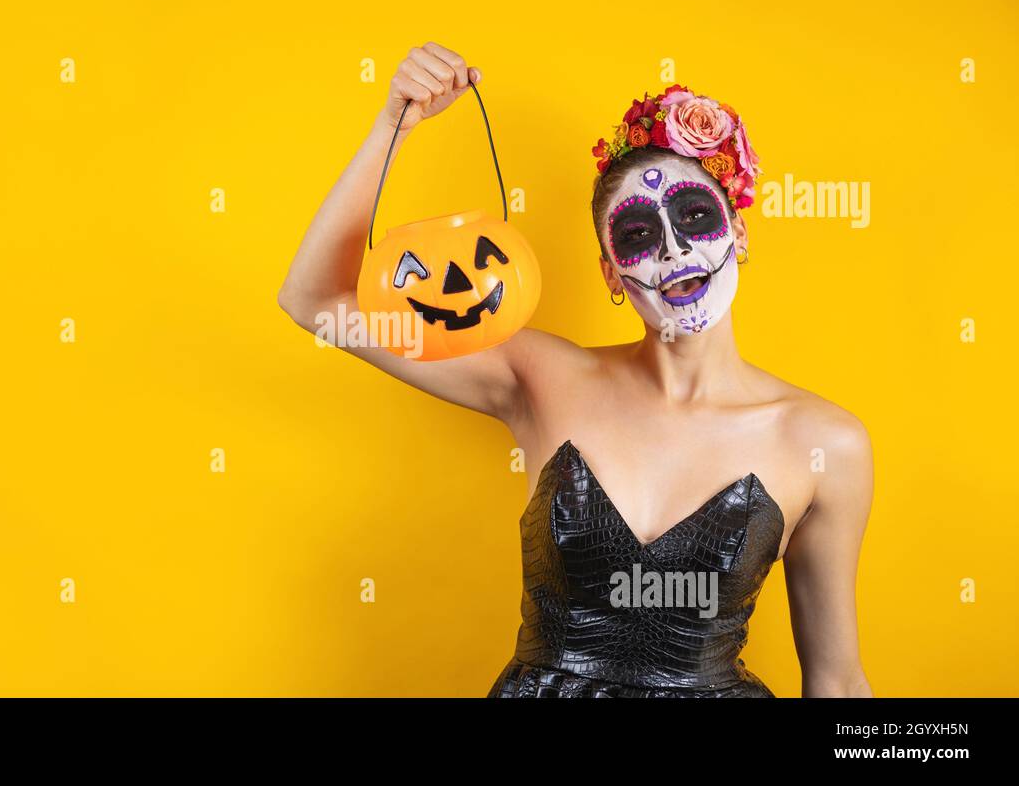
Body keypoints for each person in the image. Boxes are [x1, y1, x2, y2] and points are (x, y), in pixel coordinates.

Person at [278, 42, 873, 698]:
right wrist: (394, 124)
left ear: (740, 234)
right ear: (612, 275)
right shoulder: (541, 377)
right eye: (639, 234)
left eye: (696, 218)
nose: (674, 250)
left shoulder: (824, 442)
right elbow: (315, 301)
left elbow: (837, 682)